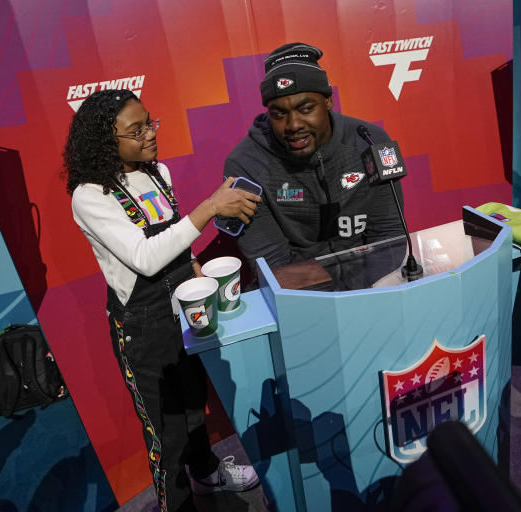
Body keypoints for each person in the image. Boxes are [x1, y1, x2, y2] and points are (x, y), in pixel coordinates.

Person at [63, 89, 261, 512]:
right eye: (136, 131)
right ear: (105, 141)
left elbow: (171, 236)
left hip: (183, 309)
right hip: (142, 326)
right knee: (166, 435)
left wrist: (194, 270)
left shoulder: (157, 173)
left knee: (193, 408)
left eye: (150, 122)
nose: (150, 134)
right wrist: (210, 207)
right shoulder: (90, 195)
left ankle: (207, 472)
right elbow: (145, 258)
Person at [223, 42, 405, 275]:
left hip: (371, 283)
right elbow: (273, 266)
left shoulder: (370, 141)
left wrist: (358, 295)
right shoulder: (245, 164)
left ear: (328, 101)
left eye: (306, 109)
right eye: (278, 114)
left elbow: (389, 236)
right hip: (301, 297)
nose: (294, 125)